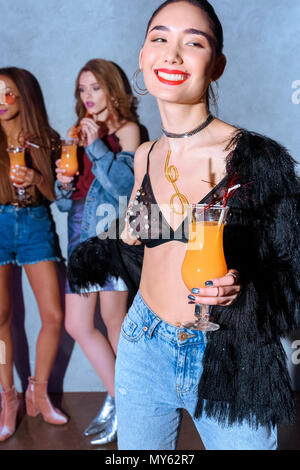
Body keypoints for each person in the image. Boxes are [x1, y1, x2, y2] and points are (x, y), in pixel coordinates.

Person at [68, 0, 300, 450]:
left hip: (230, 355)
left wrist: (242, 285)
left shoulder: (257, 159)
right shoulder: (145, 155)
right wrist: (109, 243)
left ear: (216, 65)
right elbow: (148, 234)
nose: (172, 54)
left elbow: (290, 268)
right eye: (160, 38)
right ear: (142, 57)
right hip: (144, 341)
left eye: (193, 42)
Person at [55, 58, 141, 445]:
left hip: (108, 238)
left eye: (95, 87)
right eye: (82, 89)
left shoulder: (128, 131)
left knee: (113, 322)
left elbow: (125, 187)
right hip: (78, 241)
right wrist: (62, 181)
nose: (87, 96)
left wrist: (94, 146)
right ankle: (120, 398)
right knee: (77, 324)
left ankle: (130, 405)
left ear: (112, 88)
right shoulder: (76, 132)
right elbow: (65, 203)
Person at [0, 67, 68, 442]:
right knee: (0, 318)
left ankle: (38, 392)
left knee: (54, 315)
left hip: (37, 225)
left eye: (8, 93)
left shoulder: (46, 140)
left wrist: (35, 178)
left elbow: (55, 195)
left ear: (24, 97)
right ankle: (6, 397)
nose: (1, 101)